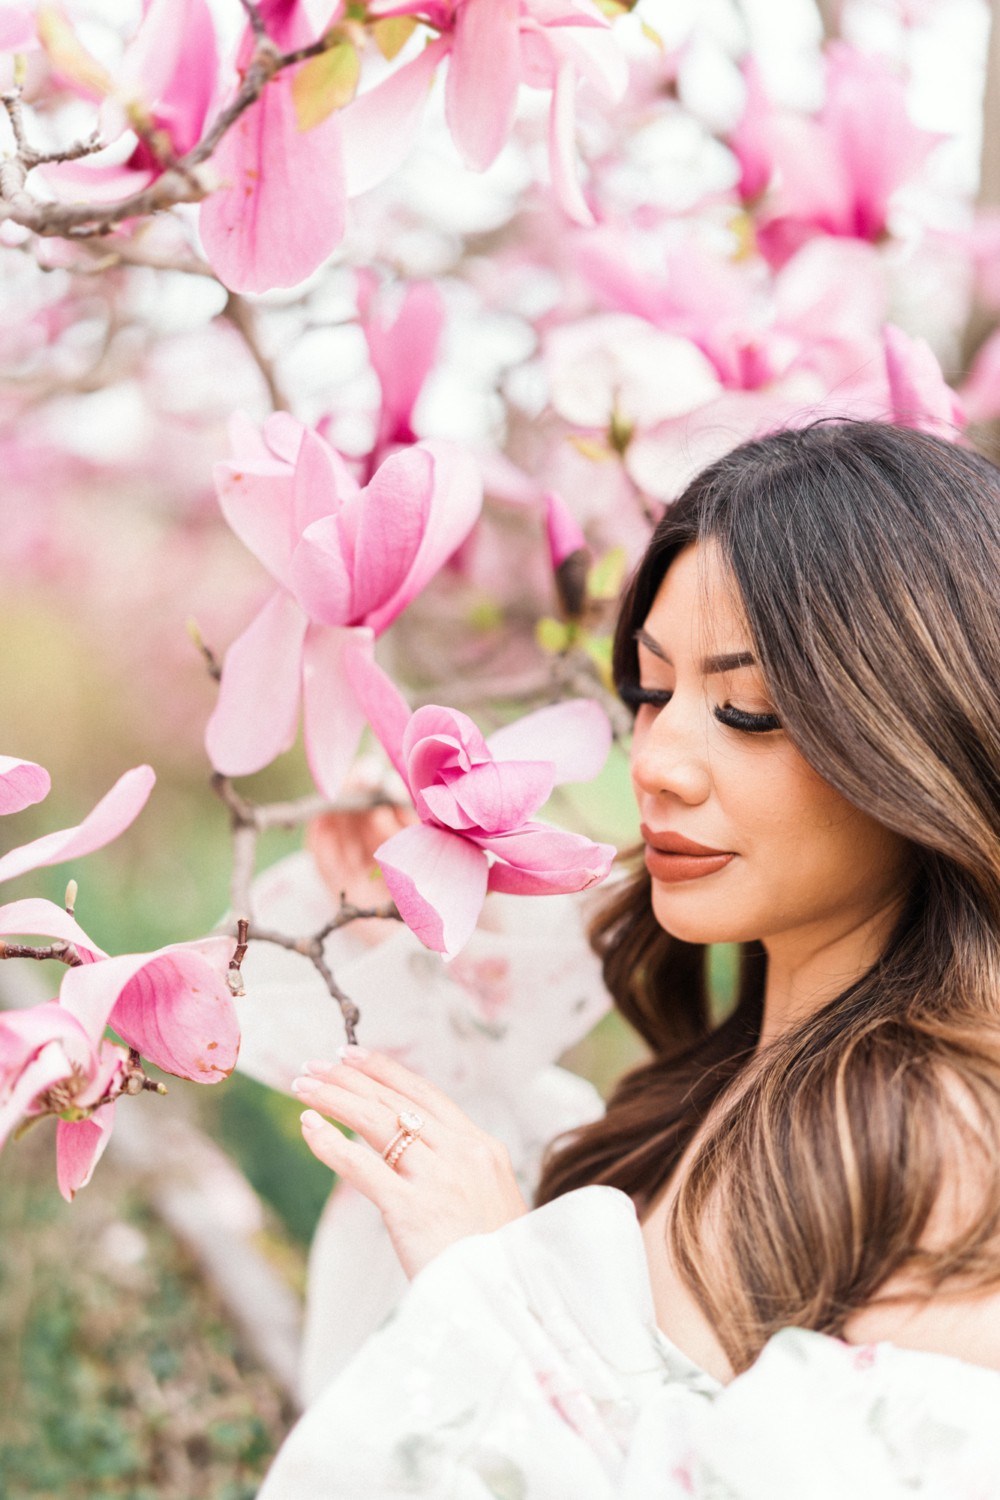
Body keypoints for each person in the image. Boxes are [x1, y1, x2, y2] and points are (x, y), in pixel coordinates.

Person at [260, 422, 1000, 1495]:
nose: (654, 761)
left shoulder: (946, 1149)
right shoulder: (716, 1088)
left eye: (747, 710)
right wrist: (397, 929)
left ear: (915, 732)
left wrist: (493, 1288)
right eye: (651, 694)